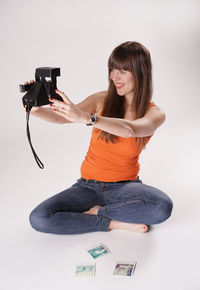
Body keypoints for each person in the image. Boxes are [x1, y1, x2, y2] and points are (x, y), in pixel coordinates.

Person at [25, 41, 173, 235]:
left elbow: (130, 130)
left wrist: (88, 118)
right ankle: (112, 222)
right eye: (112, 69)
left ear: (140, 72)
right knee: (39, 218)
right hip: (86, 186)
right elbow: (61, 119)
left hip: (124, 187)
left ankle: (98, 212)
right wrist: (33, 108)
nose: (114, 77)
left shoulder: (154, 113)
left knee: (161, 206)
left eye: (122, 71)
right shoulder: (101, 99)